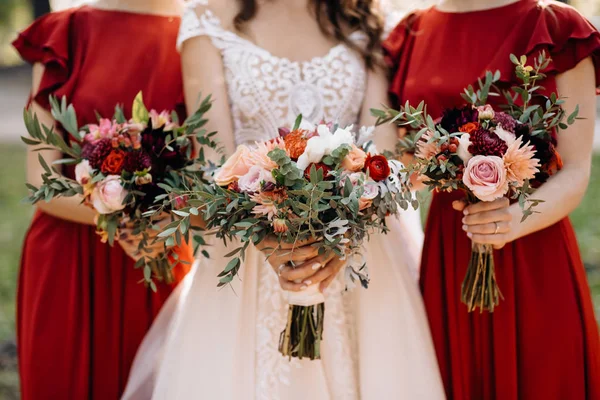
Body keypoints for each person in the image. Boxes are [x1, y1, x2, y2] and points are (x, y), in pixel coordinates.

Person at [122, 0, 445, 398]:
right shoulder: (208, 21)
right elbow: (214, 165)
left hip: (359, 254)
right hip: (249, 251)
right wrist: (272, 241)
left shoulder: (368, 21)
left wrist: (341, 236)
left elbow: (383, 156)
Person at [384, 0, 600, 398]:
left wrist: (512, 221)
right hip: (451, 243)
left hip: (533, 242)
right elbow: (405, 160)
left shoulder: (554, 26)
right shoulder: (413, 31)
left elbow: (576, 169)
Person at [12, 0, 193, 398]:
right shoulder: (65, 34)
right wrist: (121, 219)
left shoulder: (199, 40)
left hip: (155, 256)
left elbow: (205, 168)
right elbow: (40, 180)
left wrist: (152, 229)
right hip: (68, 258)